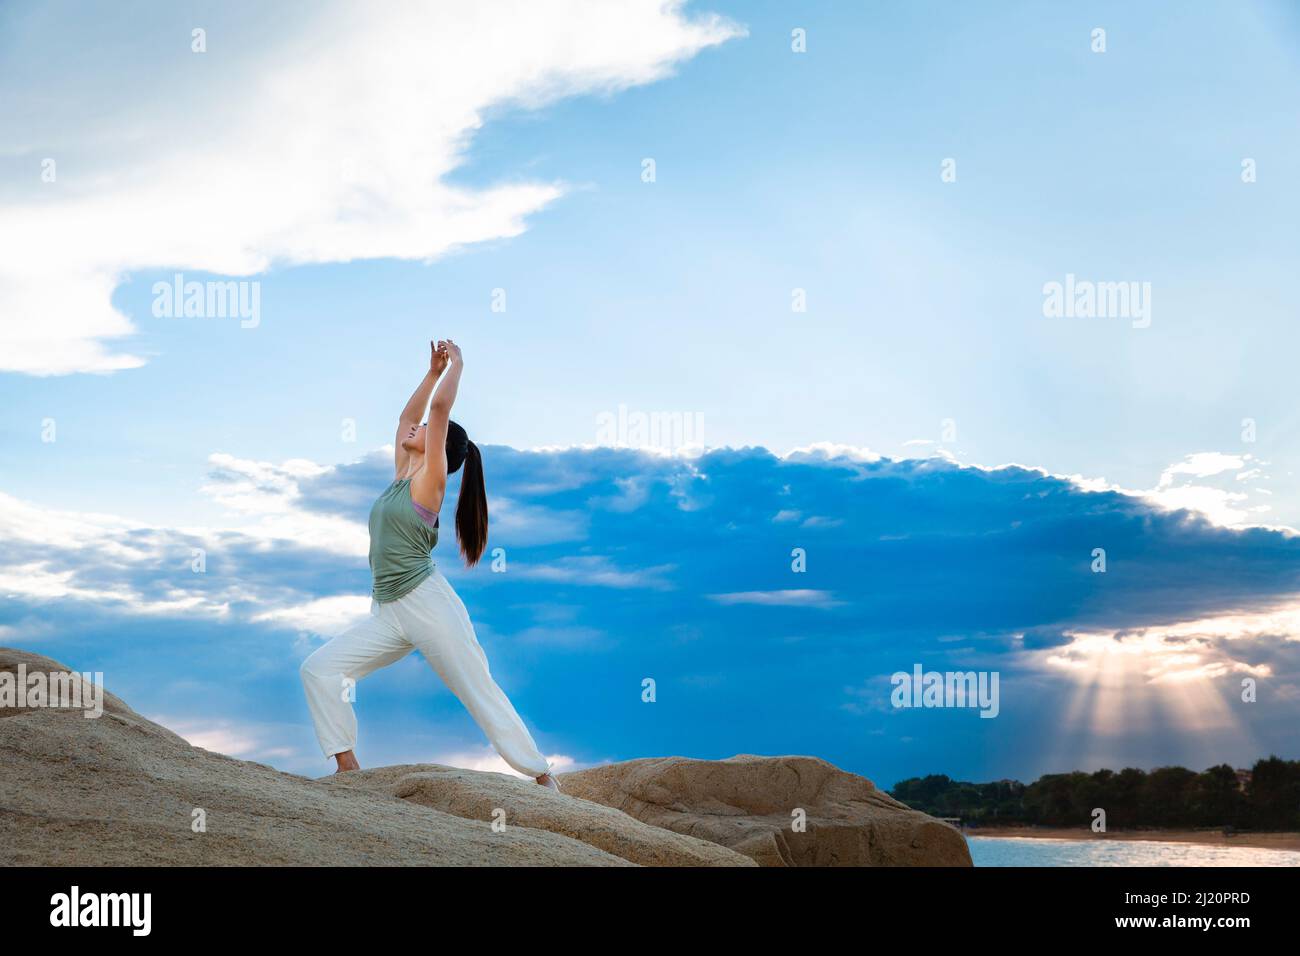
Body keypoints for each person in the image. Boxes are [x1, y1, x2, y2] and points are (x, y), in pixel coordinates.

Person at [300, 338, 559, 789]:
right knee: (319, 670)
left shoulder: (430, 482)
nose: (414, 427)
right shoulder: (402, 473)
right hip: (387, 611)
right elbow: (407, 418)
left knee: (476, 688)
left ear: (439, 446)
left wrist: (457, 364)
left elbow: (438, 413)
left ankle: (540, 774)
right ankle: (347, 768)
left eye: (425, 429)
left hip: (428, 605)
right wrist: (430, 370)